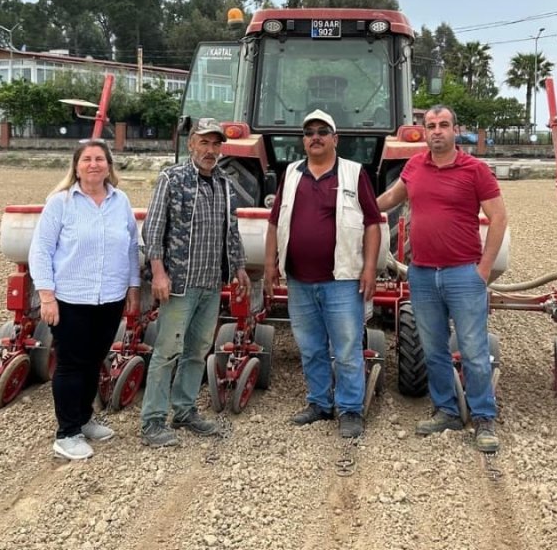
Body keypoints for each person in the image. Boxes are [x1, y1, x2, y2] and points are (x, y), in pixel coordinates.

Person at [376, 105, 507, 453]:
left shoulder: (475, 170)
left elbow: (498, 218)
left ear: (455, 130)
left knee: (474, 351)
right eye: (431, 126)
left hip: (464, 274)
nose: (436, 131)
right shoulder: (414, 166)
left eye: (443, 125)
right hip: (421, 273)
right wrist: (358, 206)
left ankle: (483, 419)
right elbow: (391, 199)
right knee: (433, 350)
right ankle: (446, 411)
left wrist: (484, 270)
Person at [264, 109, 382, 439]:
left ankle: (350, 409)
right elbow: (274, 222)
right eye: (309, 132)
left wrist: (369, 268)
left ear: (335, 139)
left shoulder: (354, 173)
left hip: (342, 281)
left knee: (346, 349)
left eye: (322, 131)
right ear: (303, 140)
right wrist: (271, 265)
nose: (315, 137)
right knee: (311, 347)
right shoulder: (290, 173)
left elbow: (373, 224)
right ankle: (319, 403)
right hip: (299, 280)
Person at [139, 117, 251, 447]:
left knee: (197, 350)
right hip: (179, 284)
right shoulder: (172, 179)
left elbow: (231, 231)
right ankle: (153, 421)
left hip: (211, 284)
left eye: (216, 144)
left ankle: (184, 410)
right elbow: (153, 230)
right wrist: (158, 273)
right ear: (191, 144)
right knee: (168, 350)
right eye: (205, 142)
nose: (211, 150)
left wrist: (240, 266)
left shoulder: (225, 185)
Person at [29, 139, 141, 461]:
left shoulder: (121, 201)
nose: (94, 164)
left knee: (94, 361)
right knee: (70, 364)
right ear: (76, 166)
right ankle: (66, 433)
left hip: (110, 298)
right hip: (71, 298)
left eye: (100, 159)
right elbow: (41, 251)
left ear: (109, 166)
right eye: (87, 159)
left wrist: (133, 289)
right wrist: (47, 296)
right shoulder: (60, 202)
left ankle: (85, 419)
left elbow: (131, 248)